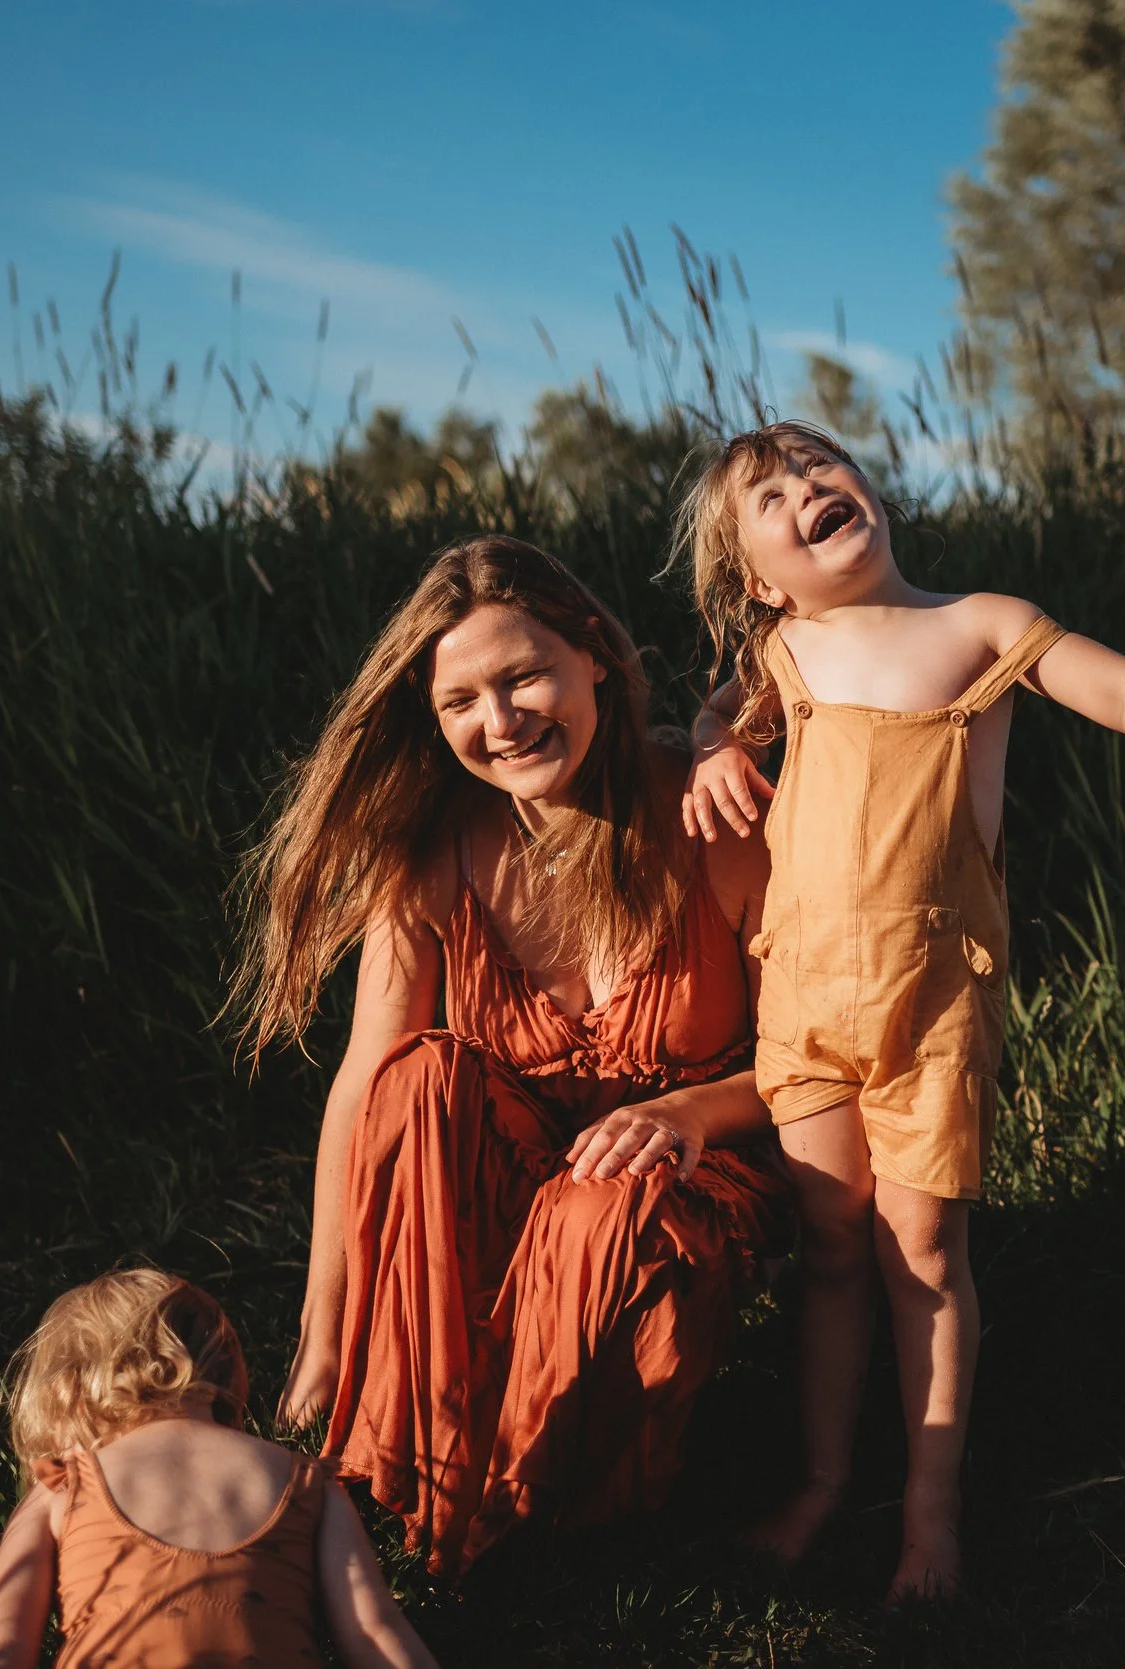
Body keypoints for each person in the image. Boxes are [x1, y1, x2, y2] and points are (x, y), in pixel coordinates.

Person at [675, 421, 1125, 1602]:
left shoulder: (976, 625)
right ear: (755, 578)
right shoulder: (778, 658)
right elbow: (711, 722)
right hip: (805, 998)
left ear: (869, 488)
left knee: (925, 1253)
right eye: (772, 498)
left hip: (932, 1004)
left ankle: (930, 1512)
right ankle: (824, 1482)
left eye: (821, 469)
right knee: (832, 1244)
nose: (809, 492)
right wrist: (705, 755)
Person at [234, 534, 793, 1575]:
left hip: (686, 1179)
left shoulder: (708, 819)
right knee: (420, 1076)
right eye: (461, 702)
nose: (500, 721)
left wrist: (686, 1115)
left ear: (592, 654)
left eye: (523, 674)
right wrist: (321, 1343)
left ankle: (531, 1516)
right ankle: (406, 1458)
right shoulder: (431, 847)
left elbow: (814, 1058)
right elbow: (366, 1088)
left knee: (603, 1212)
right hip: (516, 1178)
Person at [0, 1269, 438, 1669]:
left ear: (70, 1392)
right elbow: (375, 1635)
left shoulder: (66, 1488)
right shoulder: (308, 1486)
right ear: (226, 1367)